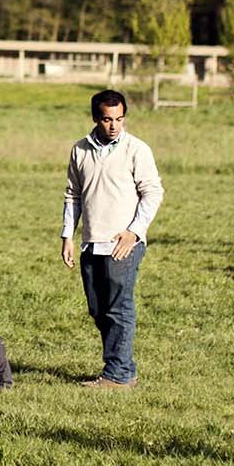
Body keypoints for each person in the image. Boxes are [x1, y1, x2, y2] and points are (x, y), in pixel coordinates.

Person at [61, 89, 162, 389]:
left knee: (119, 307)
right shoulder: (80, 150)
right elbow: (72, 195)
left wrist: (134, 231)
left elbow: (153, 192)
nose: (114, 125)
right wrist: (67, 235)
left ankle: (116, 374)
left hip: (124, 243)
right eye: (107, 119)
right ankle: (124, 367)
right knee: (98, 308)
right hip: (92, 241)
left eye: (119, 119)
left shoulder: (136, 149)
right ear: (96, 118)